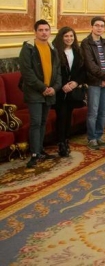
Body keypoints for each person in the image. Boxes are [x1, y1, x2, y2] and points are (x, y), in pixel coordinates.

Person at [20, 20, 61, 168]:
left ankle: (40, 150)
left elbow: (57, 72)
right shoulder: (28, 48)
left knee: (44, 122)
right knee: (36, 123)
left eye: (46, 30)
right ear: (35, 32)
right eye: (41, 30)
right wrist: (43, 87)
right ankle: (34, 154)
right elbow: (27, 72)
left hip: (49, 92)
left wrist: (54, 88)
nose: (44, 33)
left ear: (50, 32)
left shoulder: (52, 48)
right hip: (35, 92)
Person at [81, 17, 105, 151]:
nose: (99, 28)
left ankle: (99, 136)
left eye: (102, 26)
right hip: (94, 82)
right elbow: (90, 65)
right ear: (92, 27)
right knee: (93, 111)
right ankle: (92, 138)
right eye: (97, 25)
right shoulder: (86, 43)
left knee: (104, 111)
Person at [52, 26, 85, 157]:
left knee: (68, 116)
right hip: (60, 90)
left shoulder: (77, 51)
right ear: (61, 37)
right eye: (66, 36)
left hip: (72, 90)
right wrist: (62, 85)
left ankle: (66, 140)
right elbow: (54, 72)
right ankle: (61, 143)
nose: (69, 38)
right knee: (61, 116)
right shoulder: (55, 51)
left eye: (71, 36)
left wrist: (75, 82)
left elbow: (82, 70)